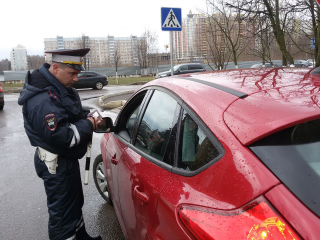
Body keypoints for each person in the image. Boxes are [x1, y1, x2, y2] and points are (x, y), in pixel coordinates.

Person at [18, 49, 102, 240]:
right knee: (62, 216)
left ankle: (81, 236)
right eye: (72, 74)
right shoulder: (42, 98)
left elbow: (67, 111)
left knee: (74, 204)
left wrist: (86, 113)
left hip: (65, 161)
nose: (77, 79)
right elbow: (61, 136)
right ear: (55, 67)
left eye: (78, 74)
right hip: (56, 164)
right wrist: (88, 124)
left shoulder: (55, 87)